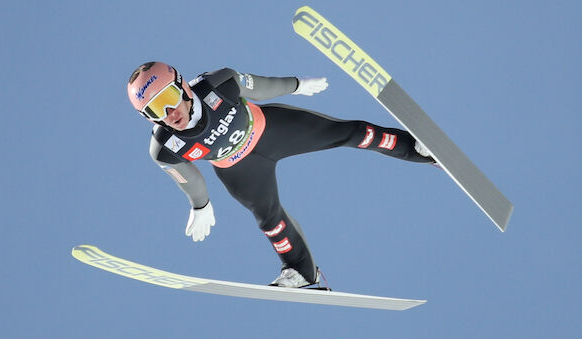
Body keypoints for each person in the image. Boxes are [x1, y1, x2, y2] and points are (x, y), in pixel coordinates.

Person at [127, 61, 434, 288]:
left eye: (167, 99)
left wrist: (296, 84)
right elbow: (190, 178)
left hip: (272, 130)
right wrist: (201, 205)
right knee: (269, 219)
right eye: (154, 111)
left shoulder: (218, 84)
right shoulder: (165, 147)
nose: (168, 113)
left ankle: (418, 149)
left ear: (182, 85)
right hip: (239, 169)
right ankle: (301, 272)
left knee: (350, 132)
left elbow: (260, 86)